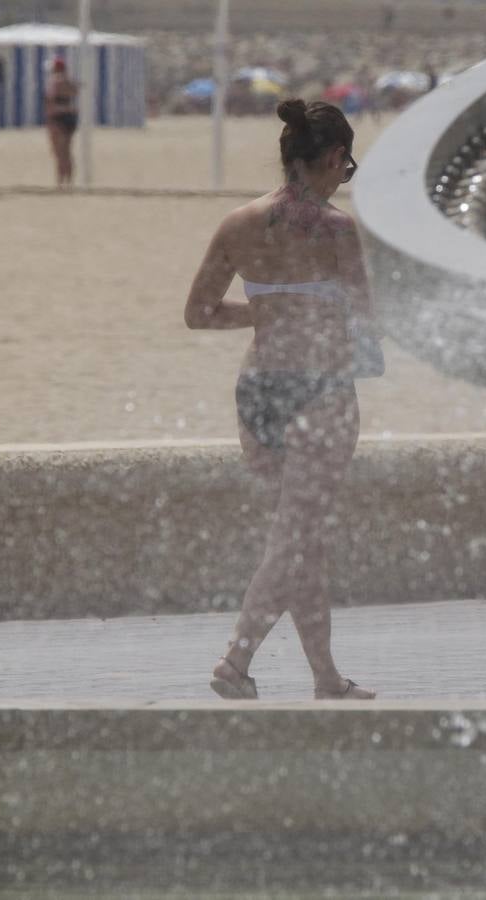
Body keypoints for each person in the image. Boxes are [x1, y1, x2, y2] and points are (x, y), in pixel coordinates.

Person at [184, 99, 384, 701]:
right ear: (331, 158)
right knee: (296, 538)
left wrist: (268, 311)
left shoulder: (238, 224)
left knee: (301, 539)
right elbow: (365, 318)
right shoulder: (338, 230)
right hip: (320, 393)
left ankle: (325, 677)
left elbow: (198, 314)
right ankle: (235, 662)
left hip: (259, 392)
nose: (343, 179)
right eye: (345, 169)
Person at [45, 56, 78, 187]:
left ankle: (60, 181)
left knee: (59, 153)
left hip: (57, 118)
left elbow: (50, 101)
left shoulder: (54, 82)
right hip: (69, 118)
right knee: (67, 152)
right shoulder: (69, 82)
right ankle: (69, 181)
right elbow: (75, 93)